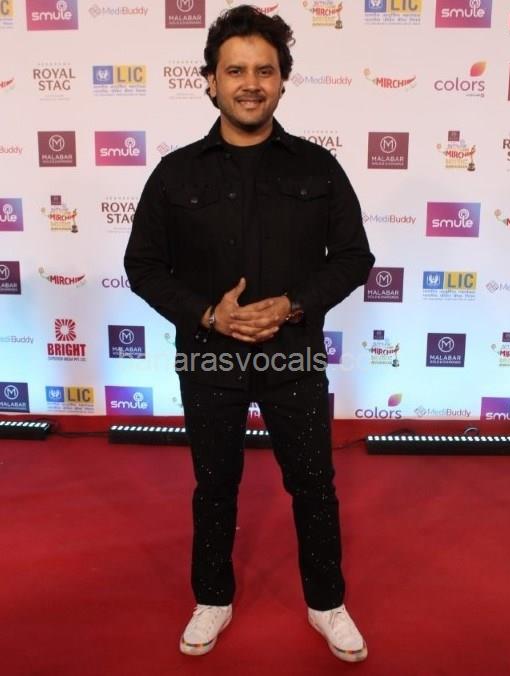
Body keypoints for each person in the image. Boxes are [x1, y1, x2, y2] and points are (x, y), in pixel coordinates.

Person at [124, 4, 374, 662]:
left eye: (265, 70)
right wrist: (211, 315)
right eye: (235, 71)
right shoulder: (175, 174)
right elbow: (142, 266)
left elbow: (354, 259)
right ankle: (213, 597)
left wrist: (292, 305)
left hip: (294, 359)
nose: (251, 84)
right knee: (215, 486)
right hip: (209, 359)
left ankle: (326, 603)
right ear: (210, 81)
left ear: (283, 80)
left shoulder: (318, 168)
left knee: (314, 485)